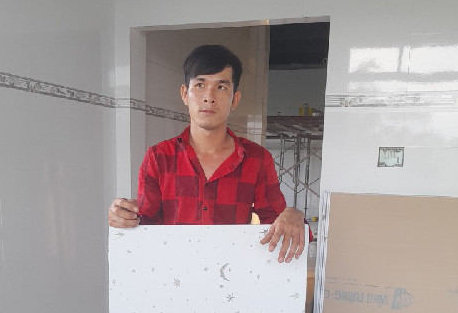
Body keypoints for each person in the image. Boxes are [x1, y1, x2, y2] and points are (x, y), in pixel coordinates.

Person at [108, 44, 309, 262]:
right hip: (173, 273)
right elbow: (145, 226)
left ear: (235, 99)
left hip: (231, 273)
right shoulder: (159, 157)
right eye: (200, 85)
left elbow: (277, 224)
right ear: (185, 94)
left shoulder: (256, 159)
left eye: (221, 87)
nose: (209, 97)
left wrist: (294, 216)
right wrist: (123, 217)